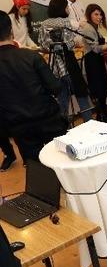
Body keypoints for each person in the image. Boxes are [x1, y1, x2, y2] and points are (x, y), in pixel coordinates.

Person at [0, 10, 69, 162]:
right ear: (11, 31)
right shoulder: (30, 56)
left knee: (36, 168)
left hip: (19, 126)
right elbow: (55, 87)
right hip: (48, 118)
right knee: (62, 160)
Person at [39, 0, 93, 121]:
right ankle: (89, 123)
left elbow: (42, 45)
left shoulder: (43, 24)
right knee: (81, 95)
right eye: (67, 7)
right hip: (69, 64)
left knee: (62, 99)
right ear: (62, 9)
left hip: (54, 67)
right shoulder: (67, 23)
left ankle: (62, 128)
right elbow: (71, 43)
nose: (68, 9)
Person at [80, 4, 107, 121]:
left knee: (102, 87)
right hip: (92, 62)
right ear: (89, 15)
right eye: (96, 14)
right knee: (98, 89)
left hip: (98, 60)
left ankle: (104, 112)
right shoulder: (88, 28)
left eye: (100, 14)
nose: (99, 17)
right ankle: (100, 115)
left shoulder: (95, 27)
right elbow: (96, 48)